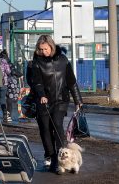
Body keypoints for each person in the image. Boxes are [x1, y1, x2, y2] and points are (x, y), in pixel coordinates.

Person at [31, 35, 83, 173]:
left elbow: (71, 81)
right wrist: (41, 95)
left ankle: (62, 155)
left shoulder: (63, 60)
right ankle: (51, 155)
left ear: (51, 47)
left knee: (57, 124)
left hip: (61, 99)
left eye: (46, 49)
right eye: (41, 49)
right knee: (45, 129)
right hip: (44, 101)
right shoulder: (36, 62)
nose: (43, 52)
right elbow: (36, 82)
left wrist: (78, 100)